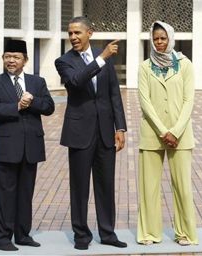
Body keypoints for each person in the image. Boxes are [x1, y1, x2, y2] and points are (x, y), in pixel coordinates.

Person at [54, 16, 127, 250]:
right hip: (79, 132)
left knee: (106, 185)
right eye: (70, 34)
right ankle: (81, 236)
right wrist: (102, 58)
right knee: (80, 188)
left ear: (90, 33)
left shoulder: (101, 55)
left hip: (105, 132)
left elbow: (114, 93)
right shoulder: (63, 61)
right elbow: (76, 81)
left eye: (77, 33)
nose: (73, 37)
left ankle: (108, 234)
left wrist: (120, 127)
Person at [0, 39, 55, 251]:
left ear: (25, 60)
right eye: (7, 57)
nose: (11, 61)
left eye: (16, 57)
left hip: (30, 148)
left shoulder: (37, 82)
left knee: (25, 193)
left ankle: (22, 234)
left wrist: (31, 102)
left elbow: (49, 107)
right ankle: (1, 238)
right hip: (6, 149)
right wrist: (17, 105)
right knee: (3, 194)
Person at [137, 21, 198, 246]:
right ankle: (149, 233)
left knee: (182, 186)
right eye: (155, 39)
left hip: (180, 135)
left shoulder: (185, 65)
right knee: (149, 187)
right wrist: (164, 131)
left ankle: (185, 233)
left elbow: (188, 100)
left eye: (163, 38)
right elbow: (144, 101)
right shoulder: (145, 67)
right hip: (152, 134)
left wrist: (176, 130)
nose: (159, 42)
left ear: (170, 38)